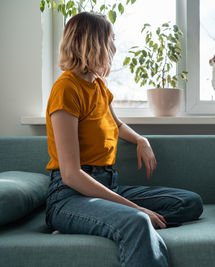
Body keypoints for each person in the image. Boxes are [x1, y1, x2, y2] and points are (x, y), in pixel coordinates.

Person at [45, 12, 203, 267]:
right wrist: (136, 209)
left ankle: (97, 223)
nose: (114, 48)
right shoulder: (66, 89)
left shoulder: (98, 86)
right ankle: (100, 221)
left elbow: (116, 124)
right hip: (69, 197)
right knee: (137, 220)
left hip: (108, 186)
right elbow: (71, 175)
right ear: (93, 44)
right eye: (110, 41)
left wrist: (141, 140)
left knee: (190, 203)